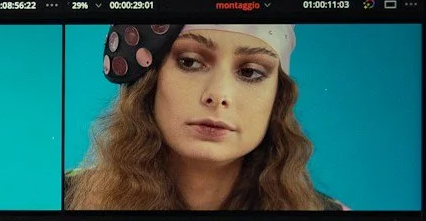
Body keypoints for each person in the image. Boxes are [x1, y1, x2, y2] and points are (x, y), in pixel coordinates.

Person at [67, 23, 341, 211]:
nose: (218, 95)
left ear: (277, 98)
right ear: (149, 83)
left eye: (250, 72)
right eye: (190, 62)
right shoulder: (65, 198)